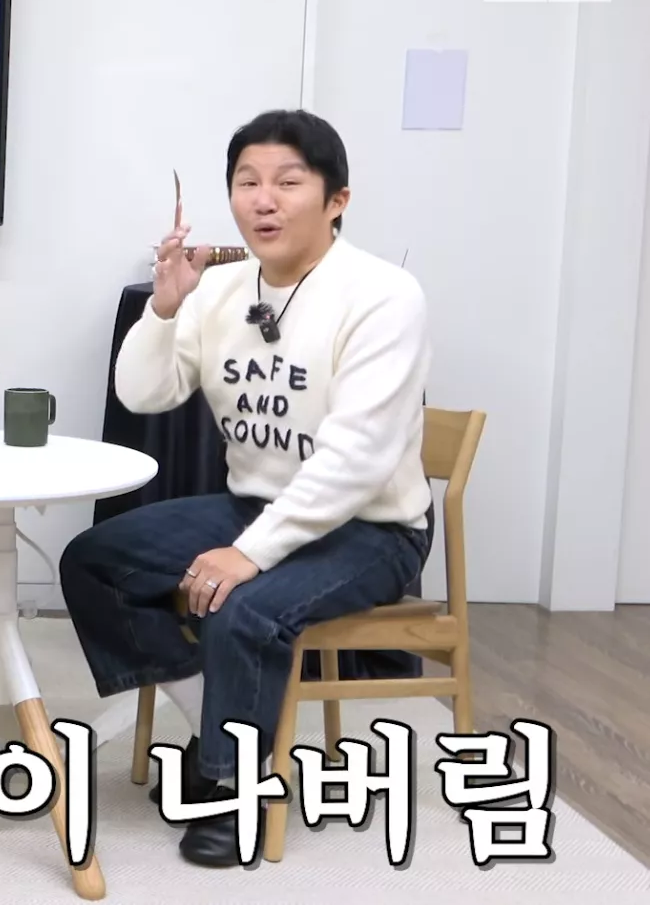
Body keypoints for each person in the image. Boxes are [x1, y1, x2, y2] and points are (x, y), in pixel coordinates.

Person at [58, 109, 433, 866]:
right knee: (93, 561)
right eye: (247, 181)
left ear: (337, 199)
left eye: (288, 182)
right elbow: (144, 394)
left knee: (245, 606)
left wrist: (250, 554)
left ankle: (236, 789)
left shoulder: (384, 295)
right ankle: (216, 728)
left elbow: (357, 459)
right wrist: (164, 309)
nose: (264, 200)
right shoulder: (221, 290)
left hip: (371, 527)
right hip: (253, 504)